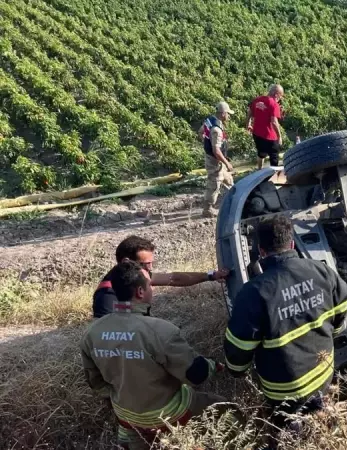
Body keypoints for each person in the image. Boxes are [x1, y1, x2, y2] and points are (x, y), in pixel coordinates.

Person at [224, 216, 347, 440]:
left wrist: (236, 371)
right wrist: (333, 333)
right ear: (291, 243)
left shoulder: (253, 293)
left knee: (292, 433)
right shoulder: (321, 270)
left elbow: (238, 349)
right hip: (323, 372)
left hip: (285, 389)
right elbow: (341, 309)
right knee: (322, 418)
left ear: (261, 251)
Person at [81, 260, 225, 449]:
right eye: (150, 285)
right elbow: (196, 375)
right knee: (225, 409)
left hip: (125, 414)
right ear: (141, 292)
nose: (152, 289)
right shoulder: (161, 330)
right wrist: (214, 365)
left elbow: (95, 383)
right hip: (168, 413)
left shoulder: (92, 332)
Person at [93, 235, 229, 319]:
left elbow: (173, 278)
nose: (150, 268)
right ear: (126, 262)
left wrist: (211, 275)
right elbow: (107, 335)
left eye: (152, 263)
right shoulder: (106, 296)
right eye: (146, 264)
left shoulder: (135, 277)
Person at [200, 101, 235, 217]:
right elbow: (216, 151)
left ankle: (234, 199)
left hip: (215, 159)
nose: (229, 116)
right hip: (214, 161)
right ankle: (207, 209)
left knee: (228, 180)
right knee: (214, 184)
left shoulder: (210, 120)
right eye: (228, 114)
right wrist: (227, 163)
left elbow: (201, 132)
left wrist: (206, 142)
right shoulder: (217, 130)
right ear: (223, 113)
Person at [246, 85, 284, 169]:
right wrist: (279, 136)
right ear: (276, 94)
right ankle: (274, 173)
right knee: (274, 156)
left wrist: (248, 124)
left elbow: (249, 113)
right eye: (281, 96)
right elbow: (274, 122)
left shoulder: (257, 100)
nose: (280, 98)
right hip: (270, 136)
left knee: (261, 153)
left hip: (256, 133)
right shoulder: (274, 104)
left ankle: (259, 170)